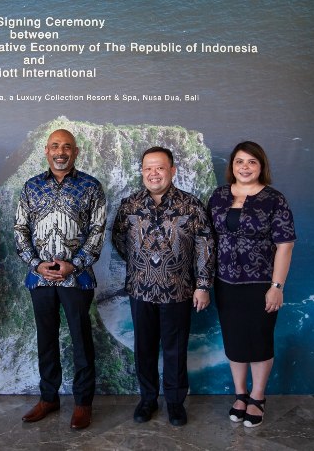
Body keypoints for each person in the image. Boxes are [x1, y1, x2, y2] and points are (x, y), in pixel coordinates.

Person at [111, 146, 215, 427]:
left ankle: (174, 402)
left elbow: (205, 246)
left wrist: (203, 285)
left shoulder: (190, 206)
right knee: (143, 348)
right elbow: (120, 241)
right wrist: (141, 265)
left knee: (175, 348)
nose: (153, 173)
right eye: (148, 168)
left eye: (159, 167)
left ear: (172, 170)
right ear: (142, 172)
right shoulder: (130, 205)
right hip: (140, 290)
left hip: (178, 290)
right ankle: (147, 399)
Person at [15, 129, 107, 430]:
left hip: (76, 279)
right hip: (39, 278)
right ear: (46, 150)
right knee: (46, 340)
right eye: (55, 146)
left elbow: (97, 232)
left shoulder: (92, 187)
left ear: (76, 152)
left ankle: (82, 404)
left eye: (67, 146)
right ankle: (48, 398)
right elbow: (20, 231)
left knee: (81, 341)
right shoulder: (30, 188)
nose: (61, 151)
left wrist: (74, 264)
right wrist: (36, 264)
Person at [208, 141, 295, 428]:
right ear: (231, 166)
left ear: (261, 166)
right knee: (234, 340)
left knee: (259, 340)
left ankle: (258, 397)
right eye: (239, 162)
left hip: (261, 284)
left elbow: (285, 246)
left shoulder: (274, 199)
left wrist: (277, 287)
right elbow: (206, 239)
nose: (245, 167)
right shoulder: (219, 196)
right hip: (225, 283)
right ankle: (240, 394)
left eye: (251, 162)